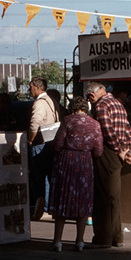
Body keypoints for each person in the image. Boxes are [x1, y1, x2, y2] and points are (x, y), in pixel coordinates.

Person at [48, 96, 103, 252]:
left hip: (67, 161)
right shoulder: (95, 124)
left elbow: (58, 143)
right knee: (83, 200)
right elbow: (98, 150)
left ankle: (57, 241)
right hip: (85, 162)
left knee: (62, 199)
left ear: (72, 107)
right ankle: (80, 241)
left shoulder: (67, 121)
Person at [85, 81, 131, 249]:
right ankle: (117, 236)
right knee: (114, 196)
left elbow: (107, 130)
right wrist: (128, 151)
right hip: (119, 153)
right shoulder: (118, 104)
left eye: (88, 97)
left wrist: (119, 150)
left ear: (92, 95)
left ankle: (103, 238)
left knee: (103, 196)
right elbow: (128, 129)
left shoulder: (101, 105)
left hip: (107, 152)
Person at [27, 76, 59, 221]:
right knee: (48, 176)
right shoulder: (51, 101)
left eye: (31, 87)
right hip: (51, 142)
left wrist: (30, 139)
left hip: (40, 143)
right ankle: (49, 206)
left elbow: (35, 122)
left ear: (38, 87)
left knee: (40, 177)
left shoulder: (39, 103)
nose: (30, 90)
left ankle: (44, 207)